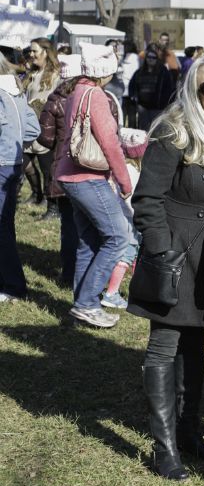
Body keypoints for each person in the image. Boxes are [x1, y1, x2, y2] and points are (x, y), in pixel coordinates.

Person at [128, 54, 204, 481]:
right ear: (193, 93)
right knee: (164, 346)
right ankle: (165, 449)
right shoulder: (174, 129)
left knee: (195, 346)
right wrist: (162, 254)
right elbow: (147, 199)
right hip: (175, 257)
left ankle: (188, 430)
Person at [54, 43, 133, 328]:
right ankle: (87, 304)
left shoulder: (78, 90)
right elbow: (110, 143)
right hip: (87, 177)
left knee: (89, 241)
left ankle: (81, 306)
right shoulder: (97, 95)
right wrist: (124, 180)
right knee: (118, 237)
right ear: (106, 70)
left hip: (70, 175)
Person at [37, 54, 84, 285]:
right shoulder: (93, 97)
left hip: (63, 167)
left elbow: (45, 138)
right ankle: (85, 275)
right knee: (87, 224)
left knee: (68, 225)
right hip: (90, 169)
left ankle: (68, 274)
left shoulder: (55, 99)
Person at [0, 65, 40, 302]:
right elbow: (33, 129)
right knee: (5, 225)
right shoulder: (16, 92)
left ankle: (14, 286)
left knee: (2, 228)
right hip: (13, 163)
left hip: (2, 163)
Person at [22, 38, 61, 217]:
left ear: (46, 52)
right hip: (29, 126)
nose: (31, 54)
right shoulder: (31, 73)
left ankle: (51, 204)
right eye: (30, 51)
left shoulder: (55, 75)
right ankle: (37, 193)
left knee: (48, 169)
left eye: (34, 51)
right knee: (24, 162)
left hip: (45, 127)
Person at [129, 46, 176, 130]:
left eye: (153, 57)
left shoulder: (163, 72)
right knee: (144, 131)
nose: (151, 59)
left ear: (157, 59)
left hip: (157, 108)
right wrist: (134, 97)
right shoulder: (139, 72)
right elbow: (132, 85)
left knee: (156, 131)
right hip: (143, 108)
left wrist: (164, 103)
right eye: (149, 57)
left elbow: (169, 89)